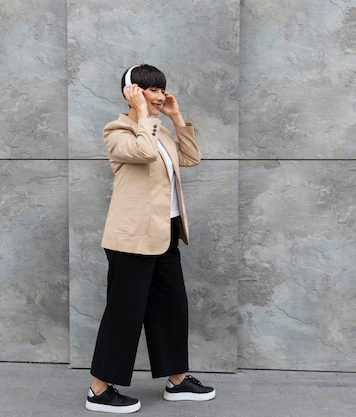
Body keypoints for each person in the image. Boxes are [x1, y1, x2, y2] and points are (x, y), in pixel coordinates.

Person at [85, 64, 216, 414]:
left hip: (166, 233)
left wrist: (176, 116)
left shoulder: (161, 130)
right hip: (132, 239)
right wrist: (143, 114)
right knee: (125, 314)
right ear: (132, 92)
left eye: (162, 90)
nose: (159, 96)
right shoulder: (118, 130)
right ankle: (99, 390)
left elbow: (191, 157)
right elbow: (143, 152)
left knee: (171, 309)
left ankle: (177, 380)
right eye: (150, 90)